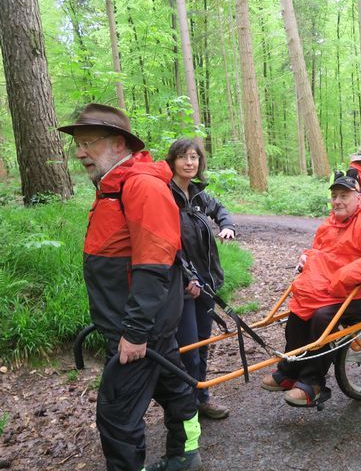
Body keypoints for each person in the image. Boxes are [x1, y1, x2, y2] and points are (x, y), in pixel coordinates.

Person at [58, 104, 202, 471]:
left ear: (118, 144)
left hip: (138, 334)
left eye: (88, 142)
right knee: (174, 390)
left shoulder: (141, 187)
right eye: (78, 143)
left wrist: (135, 332)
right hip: (142, 329)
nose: (79, 152)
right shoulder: (111, 188)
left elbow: (153, 267)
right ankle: (185, 455)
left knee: (116, 416)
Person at [261, 177, 361, 406]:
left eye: (344, 196)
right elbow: (323, 251)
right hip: (334, 286)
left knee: (323, 316)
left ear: (358, 198)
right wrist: (308, 256)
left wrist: (346, 274)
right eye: (334, 196)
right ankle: (290, 369)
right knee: (299, 309)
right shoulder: (331, 222)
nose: (337, 201)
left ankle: (313, 382)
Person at [166, 138, 236, 421]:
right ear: (172, 161)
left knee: (202, 345)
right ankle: (185, 408)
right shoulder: (165, 196)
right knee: (188, 350)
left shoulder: (198, 195)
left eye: (194, 157)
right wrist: (188, 277)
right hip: (182, 287)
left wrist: (227, 226)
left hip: (206, 283)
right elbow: (167, 243)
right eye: (183, 157)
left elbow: (220, 210)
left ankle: (201, 398)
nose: (189, 162)